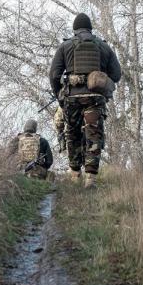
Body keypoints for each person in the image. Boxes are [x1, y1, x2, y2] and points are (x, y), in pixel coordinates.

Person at [49, 13, 121, 187]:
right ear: (90, 28)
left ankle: (75, 174)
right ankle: (91, 178)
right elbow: (116, 75)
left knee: (72, 133)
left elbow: (54, 75)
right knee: (94, 134)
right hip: (95, 98)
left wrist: (60, 96)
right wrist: (100, 80)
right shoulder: (104, 47)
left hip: (72, 98)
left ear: (75, 30)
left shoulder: (65, 46)